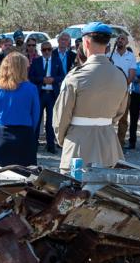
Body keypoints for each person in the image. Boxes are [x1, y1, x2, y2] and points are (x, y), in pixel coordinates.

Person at [54, 22, 128, 171]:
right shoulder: (120, 76)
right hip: (109, 143)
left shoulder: (76, 77)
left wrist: (64, 140)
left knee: (74, 184)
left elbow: (61, 116)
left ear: (86, 43)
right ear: (107, 45)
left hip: (78, 143)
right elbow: (120, 111)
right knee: (108, 185)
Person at [0, 52, 41, 167]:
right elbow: (36, 115)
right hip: (25, 134)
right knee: (26, 174)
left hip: (2, 134)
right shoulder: (31, 88)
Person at [41, 32, 74, 155]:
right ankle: (51, 141)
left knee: (64, 114)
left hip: (68, 87)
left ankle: (63, 139)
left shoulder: (73, 55)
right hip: (53, 88)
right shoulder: (51, 53)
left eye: (66, 39)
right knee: (52, 116)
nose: (64, 41)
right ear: (58, 41)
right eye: (62, 39)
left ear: (69, 42)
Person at [110, 34, 138, 147]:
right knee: (109, 118)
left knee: (123, 119)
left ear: (127, 42)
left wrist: (122, 85)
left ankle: (120, 144)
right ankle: (108, 143)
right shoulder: (109, 55)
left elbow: (131, 74)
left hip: (124, 92)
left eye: (122, 39)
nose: (120, 40)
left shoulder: (131, 56)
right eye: (118, 38)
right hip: (110, 92)